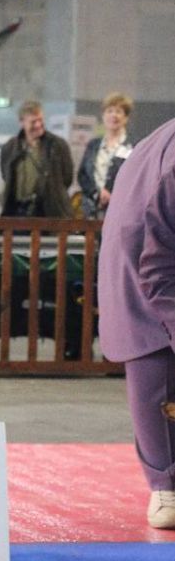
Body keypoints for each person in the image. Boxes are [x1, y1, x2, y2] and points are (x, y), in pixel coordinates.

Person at [98, 117, 175, 530]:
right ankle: (166, 485)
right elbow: (157, 265)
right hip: (145, 272)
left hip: (153, 256)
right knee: (156, 376)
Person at [0, 100, 74, 219]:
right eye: (33, 122)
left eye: (40, 120)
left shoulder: (57, 145)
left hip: (50, 213)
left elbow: (67, 177)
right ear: (22, 122)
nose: (38, 125)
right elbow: (6, 176)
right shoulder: (9, 148)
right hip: (18, 213)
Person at [77, 92, 134, 218]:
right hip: (92, 211)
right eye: (109, 111)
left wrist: (112, 195)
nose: (113, 115)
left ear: (126, 118)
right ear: (103, 116)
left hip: (120, 210)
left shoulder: (133, 147)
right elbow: (83, 175)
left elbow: (135, 179)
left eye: (118, 111)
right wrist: (97, 193)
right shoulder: (93, 145)